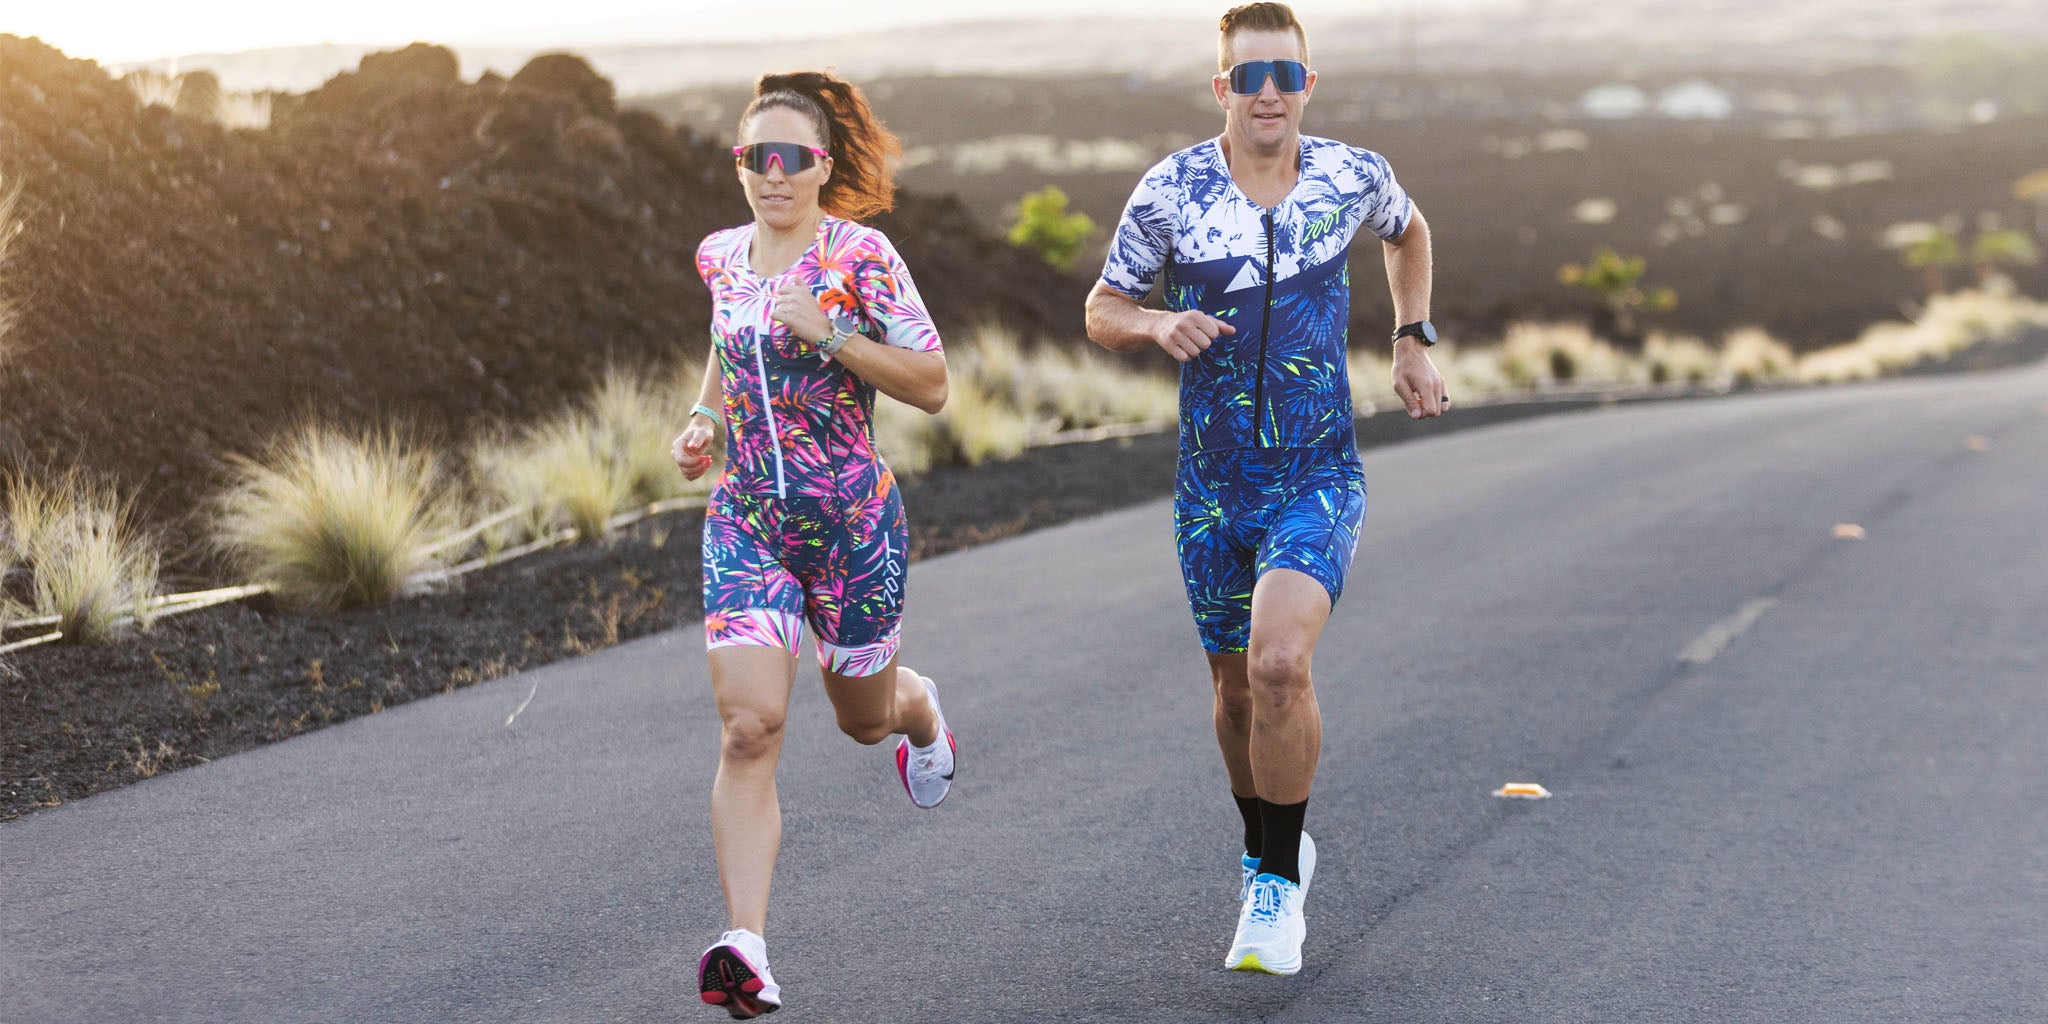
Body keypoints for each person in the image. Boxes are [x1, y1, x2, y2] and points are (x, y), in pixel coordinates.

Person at [1083, 2, 1449, 977]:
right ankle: (1264, 847)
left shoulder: (1348, 175)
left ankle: (1276, 888)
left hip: (1315, 470)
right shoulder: (1170, 191)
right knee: (1232, 687)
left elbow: (1407, 233)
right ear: (1222, 90)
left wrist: (1410, 339)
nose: (1268, 93)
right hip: (1210, 487)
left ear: (1307, 84)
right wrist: (1154, 324)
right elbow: (1101, 307)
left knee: (1279, 661)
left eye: (1284, 75)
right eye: (1248, 78)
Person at [671, 69, 956, 1020]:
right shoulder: (720, 254)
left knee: (861, 720)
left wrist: (832, 334)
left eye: (793, 158)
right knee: (749, 728)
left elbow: (930, 382)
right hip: (748, 521)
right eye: (757, 158)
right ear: (741, 167)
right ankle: (744, 948)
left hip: (852, 532)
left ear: (823, 166)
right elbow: (724, 344)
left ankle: (919, 711)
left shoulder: (862, 256)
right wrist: (705, 421)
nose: (774, 175)